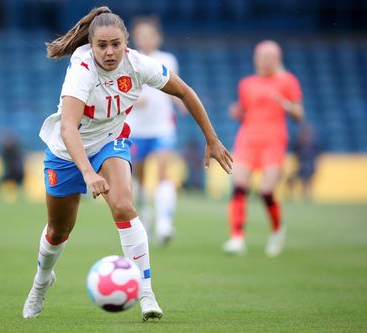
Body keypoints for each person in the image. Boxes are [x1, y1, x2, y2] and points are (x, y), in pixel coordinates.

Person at [22, 7, 232, 321]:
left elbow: (185, 92)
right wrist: (88, 173)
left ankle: (146, 293)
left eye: (116, 44)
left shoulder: (138, 65)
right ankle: (41, 283)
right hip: (68, 152)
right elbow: (68, 128)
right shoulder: (81, 69)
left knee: (123, 205)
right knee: (58, 230)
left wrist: (211, 138)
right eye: (102, 45)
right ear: (91, 46)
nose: (109, 52)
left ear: (126, 42)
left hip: (110, 140)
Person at [223, 40, 304, 257]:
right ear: (256, 59)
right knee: (239, 187)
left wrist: (286, 104)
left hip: (274, 141)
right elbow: (245, 112)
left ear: (278, 59)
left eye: (270, 57)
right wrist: (237, 112)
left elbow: (299, 115)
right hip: (248, 139)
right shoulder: (247, 83)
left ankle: (277, 229)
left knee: (266, 191)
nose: (266, 61)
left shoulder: (288, 81)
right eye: (262, 56)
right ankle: (237, 238)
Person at [126, 16, 186, 246]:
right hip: (136, 129)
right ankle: (145, 214)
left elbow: (175, 87)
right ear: (135, 38)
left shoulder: (167, 59)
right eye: (141, 35)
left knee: (163, 172)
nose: (146, 39)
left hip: (162, 126)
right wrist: (133, 101)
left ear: (158, 37)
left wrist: (180, 102)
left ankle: (164, 224)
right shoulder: (129, 60)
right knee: (138, 178)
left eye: (150, 34)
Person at [287, 122, 320, 201]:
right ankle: (293, 194)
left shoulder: (313, 143)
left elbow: (317, 155)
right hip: (301, 165)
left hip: (309, 165)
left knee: (307, 179)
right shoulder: (299, 142)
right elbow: (296, 154)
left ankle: (306, 194)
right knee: (292, 179)